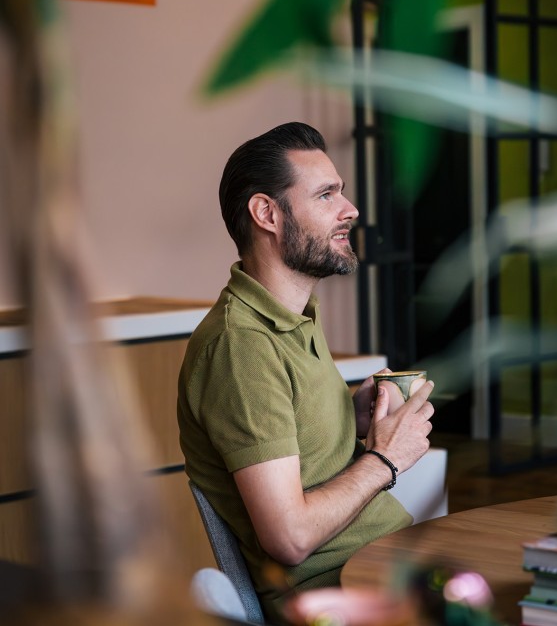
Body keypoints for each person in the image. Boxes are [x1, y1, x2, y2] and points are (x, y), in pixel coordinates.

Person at [177, 122, 434, 623]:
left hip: (387, 564)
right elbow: (290, 538)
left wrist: (349, 420)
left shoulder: (294, 318)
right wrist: (386, 458)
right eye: (326, 194)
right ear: (267, 214)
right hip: (334, 597)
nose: (351, 209)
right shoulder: (241, 346)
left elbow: (301, 451)